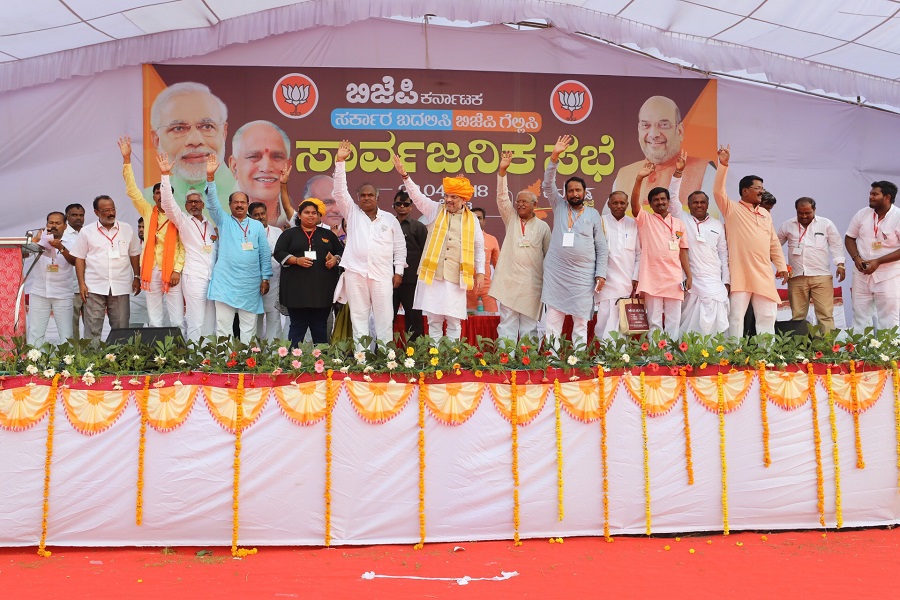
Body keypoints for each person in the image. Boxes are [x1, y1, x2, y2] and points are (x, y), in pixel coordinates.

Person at [392, 155, 485, 341]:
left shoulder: (472, 219)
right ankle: (435, 359)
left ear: (463, 199)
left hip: (456, 276)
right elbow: (417, 198)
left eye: (453, 196)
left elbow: (478, 246)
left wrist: (480, 272)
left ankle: (451, 360)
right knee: (434, 320)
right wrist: (405, 177)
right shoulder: (435, 210)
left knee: (453, 321)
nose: (448, 200)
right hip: (433, 275)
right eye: (447, 195)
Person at [333, 140, 405, 346]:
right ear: (357, 198)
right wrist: (340, 162)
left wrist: (398, 271)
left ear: (377, 198)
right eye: (362, 195)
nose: (366, 198)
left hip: (382, 274)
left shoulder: (390, 219)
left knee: (384, 319)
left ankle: (385, 359)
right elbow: (339, 191)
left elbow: (400, 247)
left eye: (370, 195)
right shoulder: (352, 213)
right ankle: (361, 359)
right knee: (359, 318)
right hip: (356, 272)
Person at [713, 145, 789, 337]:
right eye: (758, 188)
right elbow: (718, 192)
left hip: (763, 272)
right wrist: (723, 165)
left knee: (767, 316)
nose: (762, 192)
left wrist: (781, 266)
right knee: (736, 318)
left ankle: (765, 356)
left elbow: (773, 242)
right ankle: (733, 356)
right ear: (745, 191)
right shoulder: (731, 209)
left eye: (763, 188)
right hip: (740, 272)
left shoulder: (764, 213)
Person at [542, 135, 608, 346]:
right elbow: (547, 184)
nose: (574, 193)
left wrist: (601, 273)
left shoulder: (593, 214)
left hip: (583, 276)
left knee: (580, 321)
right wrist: (554, 157)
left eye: (578, 190)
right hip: (557, 274)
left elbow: (601, 246)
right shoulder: (559, 205)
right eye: (570, 190)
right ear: (566, 193)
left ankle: (577, 361)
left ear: (585, 193)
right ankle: (552, 361)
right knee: (553, 318)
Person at [203, 155, 272, 343]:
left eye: (243, 202)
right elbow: (211, 203)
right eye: (236, 202)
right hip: (225, 283)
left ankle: (246, 363)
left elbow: (264, 254)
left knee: (248, 327)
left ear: (247, 205)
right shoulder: (223, 220)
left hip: (250, 285)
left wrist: (265, 278)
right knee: (224, 326)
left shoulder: (257, 226)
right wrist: (210, 177)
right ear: (230, 205)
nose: (240, 205)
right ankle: (224, 364)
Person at [119, 136, 186, 332]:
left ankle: (179, 356)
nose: (160, 196)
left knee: (177, 319)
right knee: (154, 318)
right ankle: (160, 357)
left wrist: (177, 269)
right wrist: (127, 160)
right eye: (157, 193)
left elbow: (183, 247)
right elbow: (132, 191)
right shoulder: (148, 212)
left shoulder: (177, 216)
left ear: (170, 195)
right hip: (151, 269)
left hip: (171, 270)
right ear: (154, 196)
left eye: (164, 192)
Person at [665, 150, 730, 335]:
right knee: (690, 323)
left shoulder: (717, 224)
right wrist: (678, 172)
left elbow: (723, 253)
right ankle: (690, 355)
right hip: (692, 280)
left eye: (702, 202)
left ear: (708, 205)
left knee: (717, 325)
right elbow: (672, 198)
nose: (699, 205)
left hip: (714, 280)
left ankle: (714, 357)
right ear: (689, 204)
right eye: (695, 202)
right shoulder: (682, 218)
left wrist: (726, 280)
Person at [613, 95, 715, 210]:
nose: (653, 134)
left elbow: (709, 221)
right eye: (645, 125)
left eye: (664, 125)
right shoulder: (624, 175)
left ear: (680, 131)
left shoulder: (705, 171)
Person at [146, 81, 235, 211]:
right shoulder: (147, 200)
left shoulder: (250, 195)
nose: (195, 140)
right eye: (178, 128)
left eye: (207, 126)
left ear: (224, 133)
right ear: (156, 139)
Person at [492, 151, 552, 341]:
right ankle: (505, 360)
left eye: (524, 201)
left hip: (532, 285)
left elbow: (548, 257)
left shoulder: (543, 227)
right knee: (507, 324)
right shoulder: (511, 219)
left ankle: (529, 362)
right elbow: (502, 197)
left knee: (529, 326)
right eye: (518, 201)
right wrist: (502, 171)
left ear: (535, 204)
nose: (519, 204)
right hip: (509, 282)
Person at [157, 154, 218, 342]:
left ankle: (207, 359)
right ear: (185, 205)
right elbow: (167, 204)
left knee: (210, 323)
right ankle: (194, 359)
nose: (193, 204)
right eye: (190, 201)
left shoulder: (211, 225)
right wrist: (165, 175)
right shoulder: (183, 221)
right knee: (195, 321)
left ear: (202, 204)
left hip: (213, 278)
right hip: (194, 277)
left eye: (197, 201)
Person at [69, 195, 142, 344]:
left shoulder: (127, 229)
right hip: (94, 286)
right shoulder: (87, 232)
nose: (111, 213)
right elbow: (79, 258)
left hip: (120, 285)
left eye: (112, 209)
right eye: (106, 210)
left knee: (121, 327)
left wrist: (137, 277)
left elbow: (134, 254)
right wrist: (82, 284)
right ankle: (92, 362)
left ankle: (120, 360)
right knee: (93, 327)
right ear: (96, 212)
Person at [631, 160, 691, 338]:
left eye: (663, 199)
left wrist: (689, 275)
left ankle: (671, 355)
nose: (660, 202)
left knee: (674, 319)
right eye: (655, 200)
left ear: (668, 201)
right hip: (652, 277)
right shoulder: (645, 220)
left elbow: (682, 251)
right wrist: (639, 179)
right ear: (650, 204)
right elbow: (634, 206)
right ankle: (656, 355)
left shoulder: (679, 223)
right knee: (655, 320)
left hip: (674, 277)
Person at [273, 199, 343, 345]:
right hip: (296, 292)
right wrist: (296, 260)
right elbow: (278, 253)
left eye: (314, 213)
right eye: (306, 213)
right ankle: (294, 361)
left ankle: (320, 361)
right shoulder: (289, 234)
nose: (310, 216)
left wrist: (335, 259)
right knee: (297, 326)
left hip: (322, 291)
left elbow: (340, 252)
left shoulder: (328, 235)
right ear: (299, 215)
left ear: (318, 216)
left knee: (319, 327)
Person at [777, 197, 845, 333]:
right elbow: (775, 246)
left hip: (821, 276)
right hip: (796, 277)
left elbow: (836, 245)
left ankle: (826, 349)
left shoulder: (826, 224)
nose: (803, 216)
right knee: (797, 316)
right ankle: (799, 350)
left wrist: (840, 264)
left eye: (807, 213)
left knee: (825, 315)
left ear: (814, 210)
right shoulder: (787, 225)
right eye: (800, 213)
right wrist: (780, 266)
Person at [845, 180, 900, 332]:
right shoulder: (862, 214)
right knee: (860, 316)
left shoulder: (898, 216)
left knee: (889, 317)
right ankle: (860, 353)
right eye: (870, 194)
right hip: (862, 273)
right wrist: (856, 258)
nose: (870, 197)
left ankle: (888, 355)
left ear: (887, 197)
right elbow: (849, 237)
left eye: (875, 194)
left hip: (889, 275)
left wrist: (878, 261)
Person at [594, 191, 641, 339]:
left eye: (622, 203)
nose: (618, 206)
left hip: (627, 281)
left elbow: (640, 253)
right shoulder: (601, 222)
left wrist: (636, 276)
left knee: (622, 319)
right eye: (615, 203)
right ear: (608, 204)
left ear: (627, 205)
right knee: (604, 317)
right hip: (606, 280)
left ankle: (621, 354)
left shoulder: (634, 224)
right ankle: (605, 352)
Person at [230, 120, 292, 228]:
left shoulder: (294, 218)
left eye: (277, 156)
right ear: (234, 166)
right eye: (254, 156)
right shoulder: (223, 217)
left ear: (288, 165)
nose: (266, 168)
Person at [27, 212, 75, 345]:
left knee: (66, 334)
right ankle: (33, 364)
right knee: (36, 332)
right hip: (39, 292)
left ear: (65, 226)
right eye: (51, 223)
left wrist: (61, 248)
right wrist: (35, 241)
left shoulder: (72, 242)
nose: (54, 226)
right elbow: (24, 254)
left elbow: (75, 261)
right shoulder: (39, 240)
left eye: (58, 223)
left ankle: (67, 364)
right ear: (46, 224)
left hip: (62, 293)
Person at [392, 189, 428, 341]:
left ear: (411, 207)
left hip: (412, 281)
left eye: (405, 204)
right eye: (399, 204)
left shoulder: (418, 227)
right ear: (394, 206)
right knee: (387, 317)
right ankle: (383, 353)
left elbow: (425, 252)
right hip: (389, 279)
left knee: (414, 319)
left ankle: (416, 355)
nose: (402, 207)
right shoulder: (388, 225)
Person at [249, 201, 285, 341]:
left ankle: (273, 353)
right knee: (254, 318)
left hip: (274, 280)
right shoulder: (248, 233)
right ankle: (255, 353)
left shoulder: (277, 232)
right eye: (256, 215)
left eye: (262, 214)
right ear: (250, 217)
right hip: (253, 281)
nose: (260, 217)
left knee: (273, 316)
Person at [466, 207, 501, 312]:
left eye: (479, 218)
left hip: (486, 291)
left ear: (484, 221)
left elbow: (499, 267)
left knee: (489, 325)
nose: (476, 221)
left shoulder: (492, 239)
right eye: (473, 218)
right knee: (466, 326)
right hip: (465, 291)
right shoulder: (461, 239)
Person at [62, 203, 85, 337]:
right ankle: (75, 356)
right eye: (74, 215)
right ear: (67, 216)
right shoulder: (62, 235)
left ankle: (91, 355)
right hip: (70, 287)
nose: (78, 218)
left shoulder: (89, 232)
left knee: (92, 323)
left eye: (81, 215)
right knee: (72, 326)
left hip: (89, 287)